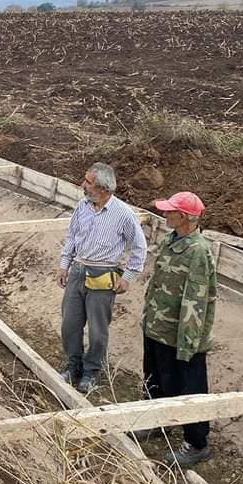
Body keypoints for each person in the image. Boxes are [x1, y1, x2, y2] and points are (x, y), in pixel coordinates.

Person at [140, 191, 216, 468]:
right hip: (158, 328)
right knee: (156, 378)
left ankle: (197, 444)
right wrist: (148, 318)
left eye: (170, 211)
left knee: (189, 388)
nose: (165, 214)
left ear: (183, 217)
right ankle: (156, 422)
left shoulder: (197, 250)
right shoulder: (172, 240)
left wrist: (188, 343)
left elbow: (196, 300)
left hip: (182, 337)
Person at [57, 162, 148, 393]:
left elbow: (139, 247)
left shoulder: (123, 214)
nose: (82, 185)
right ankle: (73, 365)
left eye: (88, 182)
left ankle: (91, 371)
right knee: (70, 324)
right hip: (78, 270)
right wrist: (64, 265)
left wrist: (127, 277)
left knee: (98, 330)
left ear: (103, 188)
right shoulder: (82, 207)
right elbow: (72, 236)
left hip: (103, 274)